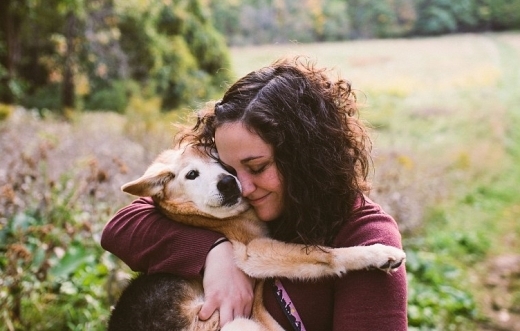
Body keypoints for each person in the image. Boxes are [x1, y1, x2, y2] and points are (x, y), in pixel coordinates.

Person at [101, 57, 407, 330]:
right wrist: (216, 253)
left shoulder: (366, 235)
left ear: (304, 159)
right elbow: (121, 226)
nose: (242, 187)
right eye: (230, 170)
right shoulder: (228, 211)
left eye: (257, 168)